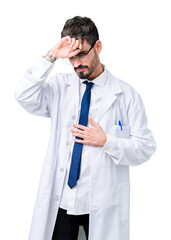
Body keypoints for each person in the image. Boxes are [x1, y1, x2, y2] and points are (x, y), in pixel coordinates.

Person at [14, 16, 156, 240]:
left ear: (97, 46)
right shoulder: (60, 87)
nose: (76, 63)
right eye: (70, 57)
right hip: (62, 203)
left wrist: (107, 142)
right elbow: (23, 95)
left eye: (81, 54)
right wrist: (51, 56)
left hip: (101, 206)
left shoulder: (126, 95)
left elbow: (146, 147)